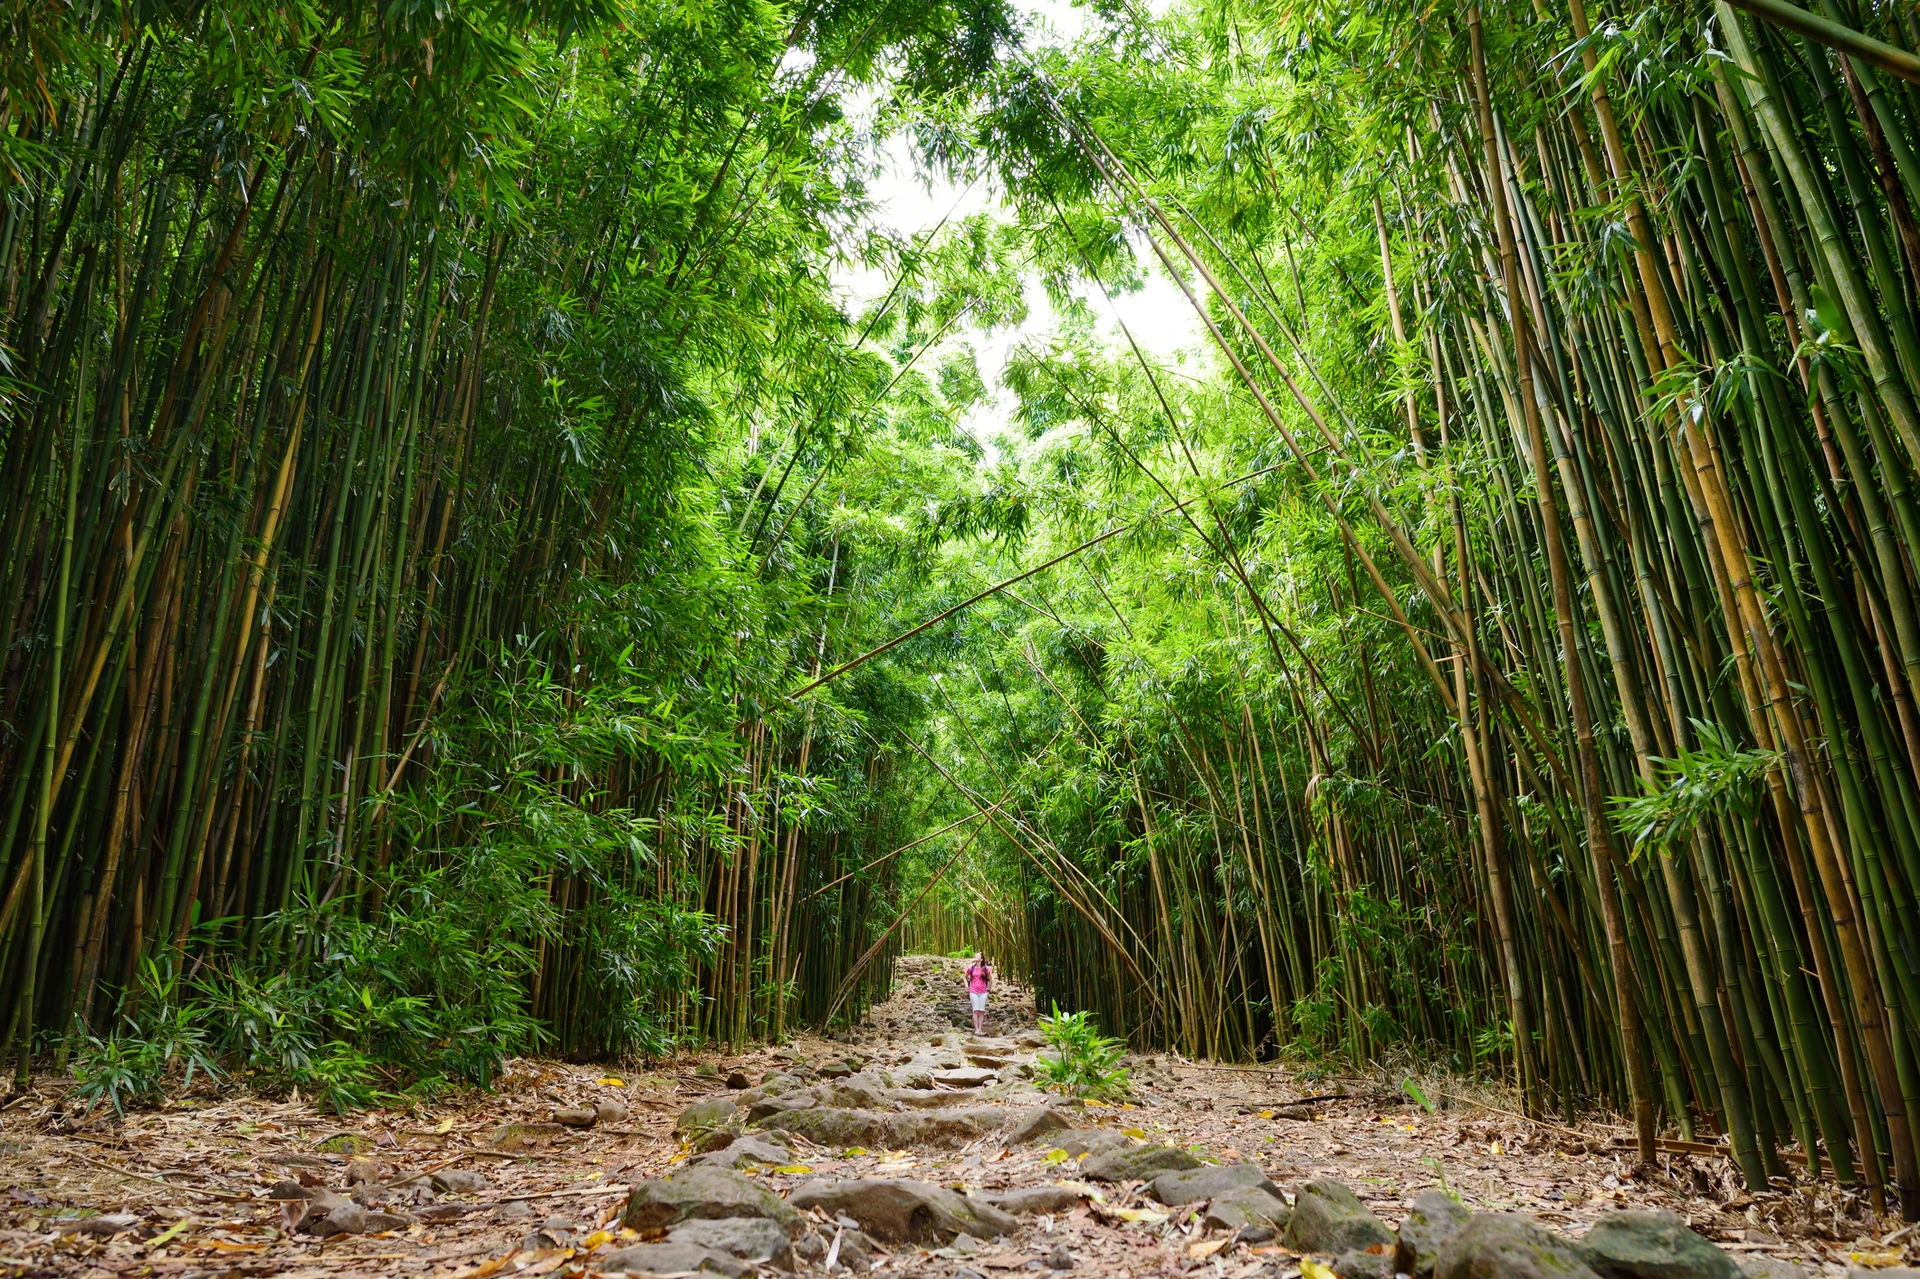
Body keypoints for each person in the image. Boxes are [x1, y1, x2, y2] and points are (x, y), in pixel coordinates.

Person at [964, 952, 992, 1036]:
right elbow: (964, 977)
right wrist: (966, 986)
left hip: (983, 992)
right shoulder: (971, 968)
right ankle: (976, 1029)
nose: (975, 957)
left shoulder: (985, 969)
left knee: (982, 1011)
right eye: (975, 956)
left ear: (981, 959)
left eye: (977, 956)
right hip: (973, 991)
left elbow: (990, 979)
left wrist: (989, 988)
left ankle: (980, 1029)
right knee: (975, 1010)